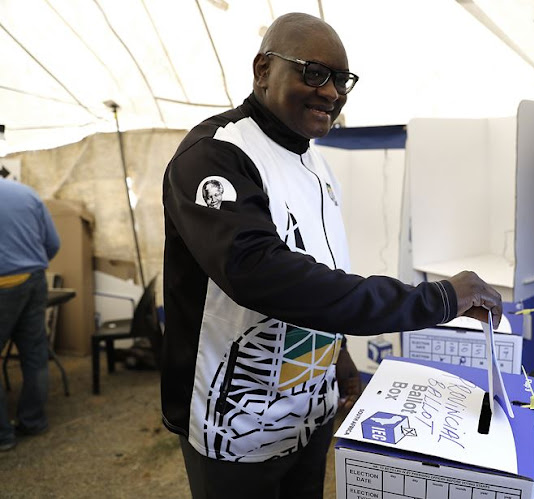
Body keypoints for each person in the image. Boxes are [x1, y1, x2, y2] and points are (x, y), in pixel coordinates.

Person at [161, 12, 504, 498]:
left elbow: (322, 270)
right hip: (234, 430)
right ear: (262, 70)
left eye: (341, 80)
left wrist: (338, 354)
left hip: (311, 413)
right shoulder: (215, 155)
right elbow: (260, 273)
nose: (332, 92)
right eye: (313, 72)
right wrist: (437, 299)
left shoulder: (316, 163)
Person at [0, 178, 60, 452]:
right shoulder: (26, 193)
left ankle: (3, 435)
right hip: (33, 279)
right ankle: (33, 421)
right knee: (35, 355)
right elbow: (53, 243)